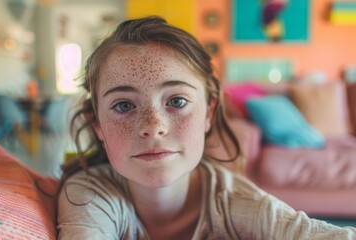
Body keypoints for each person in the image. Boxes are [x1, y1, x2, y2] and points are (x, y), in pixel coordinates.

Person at [57, 16, 356, 239]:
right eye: (123, 106)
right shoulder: (88, 193)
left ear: (208, 112)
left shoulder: (239, 201)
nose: (153, 127)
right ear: (97, 124)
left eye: (176, 101)